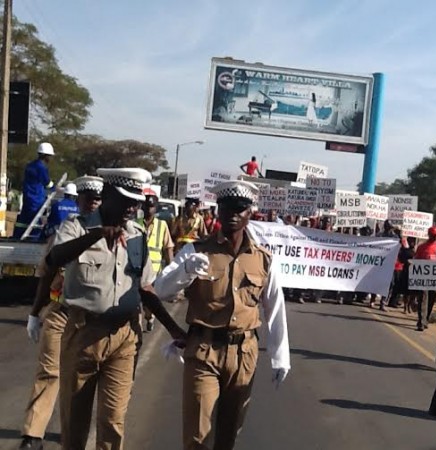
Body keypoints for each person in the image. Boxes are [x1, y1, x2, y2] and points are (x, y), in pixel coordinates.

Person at [48, 168, 186, 450]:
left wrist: (174, 329)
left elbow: (145, 288)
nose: (133, 208)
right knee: (75, 423)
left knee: (113, 421)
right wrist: (96, 235)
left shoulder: (136, 235)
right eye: (127, 200)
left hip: (125, 339)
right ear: (107, 195)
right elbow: (55, 257)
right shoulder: (77, 227)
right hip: (83, 335)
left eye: (136, 201)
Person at [154, 180, 290, 450]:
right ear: (217, 211)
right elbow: (161, 289)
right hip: (204, 350)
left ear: (250, 213)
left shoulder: (262, 259)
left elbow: (275, 307)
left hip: (244, 354)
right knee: (198, 436)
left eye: (240, 208)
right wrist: (186, 271)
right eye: (226, 207)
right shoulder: (196, 250)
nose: (233, 214)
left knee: (228, 435)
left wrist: (280, 355)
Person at [19, 176, 103, 450]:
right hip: (61, 314)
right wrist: (35, 313)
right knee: (49, 372)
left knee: (83, 380)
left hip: (93, 321)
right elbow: (47, 274)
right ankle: (33, 434)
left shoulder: (113, 236)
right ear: (77, 200)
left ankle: (74, 432)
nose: (92, 202)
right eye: (87, 197)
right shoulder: (65, 233)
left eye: (97, 198)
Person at [137, 188, 175, 331]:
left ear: (156, 207)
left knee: (150, 304)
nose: (148, 209)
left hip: (154, 272)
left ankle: (150, 317)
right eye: (146, 206)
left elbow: (168, 248)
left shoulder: (162, 225)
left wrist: (171, 269)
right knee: (138, 302)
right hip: (137, 270)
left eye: (151, 206)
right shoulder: (135, 223)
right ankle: (138, 326)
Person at [13, 142, 55, 239]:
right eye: (50, 156)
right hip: (36, 199)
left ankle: (17, 237)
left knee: (24, 220)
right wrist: (56, 187)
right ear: (46, 156)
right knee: (35, 223)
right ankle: (34, 239)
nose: (51, 159)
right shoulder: (41, 168)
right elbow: (47, 183)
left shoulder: (30, 165)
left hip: (27, 197)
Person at [414, 226, 436, 331]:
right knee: (423, 298)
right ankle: (421, 321)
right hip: (423, 276)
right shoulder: (422, 247)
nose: (435, 237)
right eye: (433, 235)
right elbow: (416, 261)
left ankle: (426, 319)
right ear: (429, 235)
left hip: (435, 278)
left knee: (432, 297)